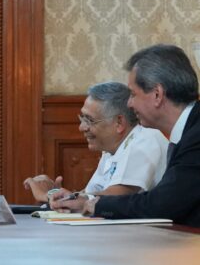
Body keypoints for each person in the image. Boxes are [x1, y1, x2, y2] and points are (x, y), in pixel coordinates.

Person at [50, 44, 200, 226]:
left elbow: (163, 204)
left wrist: (97, 205)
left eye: (133, 94)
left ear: (157, 95)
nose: (129, 104)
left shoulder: (196, 136)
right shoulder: (189, 130)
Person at [24, 82, 168, 203]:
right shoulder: (111, 150)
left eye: (89, 120)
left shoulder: (145, 140)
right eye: (82, 118)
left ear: (119, 122)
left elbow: (116, 197)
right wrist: (54, 193)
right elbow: (91, 195)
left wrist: (54, 196)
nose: (82, 127)